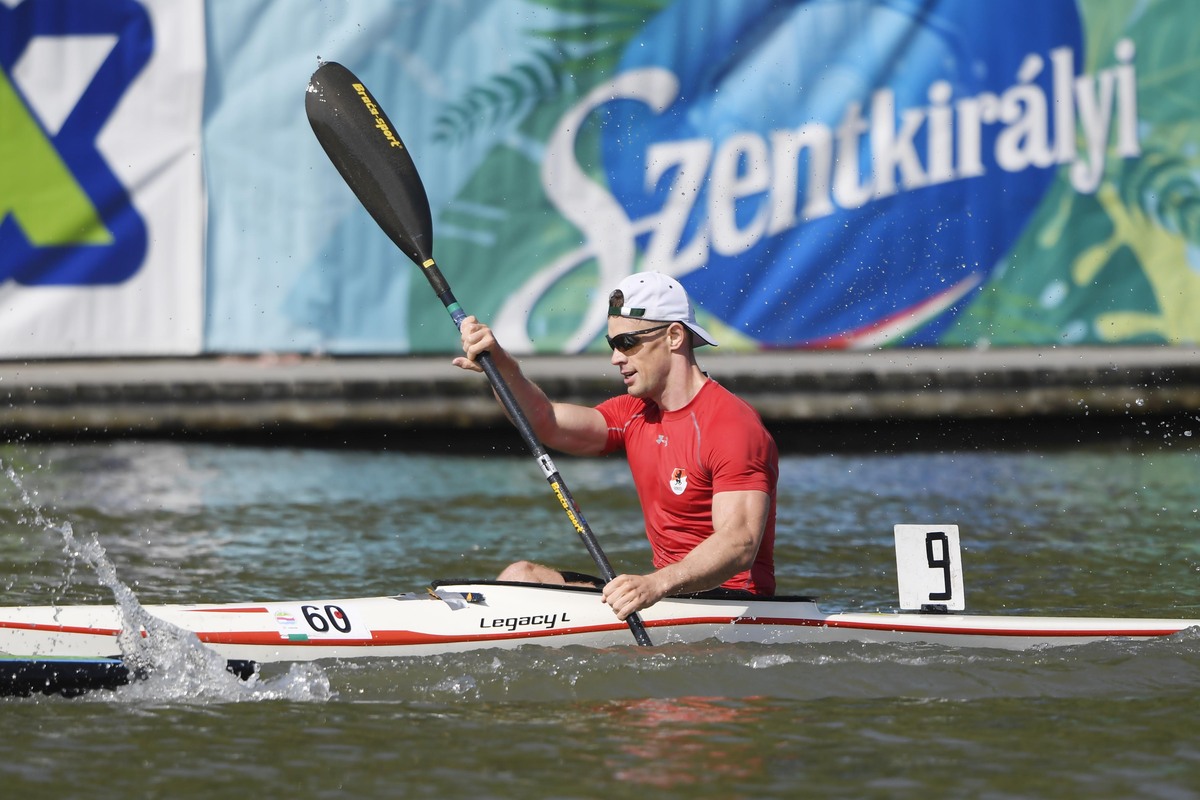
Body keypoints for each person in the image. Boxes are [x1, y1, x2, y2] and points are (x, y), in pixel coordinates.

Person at [452, 271, 778, 622]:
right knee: (521, 575)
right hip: (665, 594)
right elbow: (545, 420)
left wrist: (654, 584)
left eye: (627, 343)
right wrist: (500, 364)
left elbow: (739, 542)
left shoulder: (730, 425)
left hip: (732, 605)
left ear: (674, 336)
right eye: (612, 344)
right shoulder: (635, 413)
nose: (615, 358)